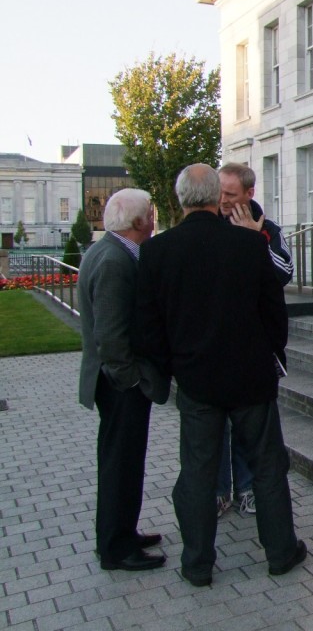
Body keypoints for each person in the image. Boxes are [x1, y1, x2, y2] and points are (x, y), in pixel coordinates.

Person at [137, 164, 306, 587]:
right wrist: (273, 355)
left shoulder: (157, 252)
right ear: (217, 198)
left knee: (197, 471)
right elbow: (274, 312)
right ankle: (280, 552)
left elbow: (149, 324)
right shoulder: (248, 244)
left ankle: (197, 563)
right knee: (267, 465)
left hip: (197, 380)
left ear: (180, 200)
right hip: (250, 376)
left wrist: (172, 367)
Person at [78, 188, 169, 572]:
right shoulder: (115, 261)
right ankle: (116, 547)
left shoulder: (109, 251)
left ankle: (122, 533)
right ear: (138, 222)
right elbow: (111, 336)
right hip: (119, 384)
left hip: (113, 381)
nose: (154, 217)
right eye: (150, 212)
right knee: (121, 464)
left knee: (124, 462)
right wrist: (131, 382)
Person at [215, 162, 295, 517]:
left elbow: (283, 274)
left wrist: (254, 240)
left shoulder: (269, 230)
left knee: (250, 425)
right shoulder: (208, 224)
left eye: (230, 195)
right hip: (214, 342)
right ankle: (218, 491)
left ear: (249, 194)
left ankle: (247, 487)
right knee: (215, 425)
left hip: (253, 346)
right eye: (219, 193)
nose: (222, 201)